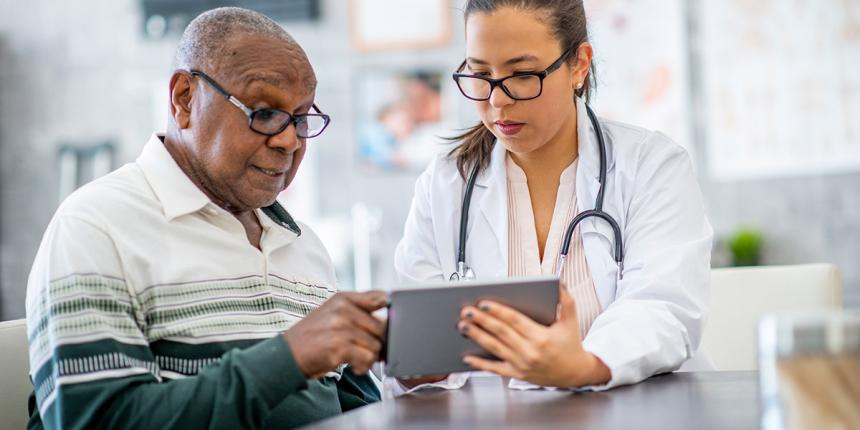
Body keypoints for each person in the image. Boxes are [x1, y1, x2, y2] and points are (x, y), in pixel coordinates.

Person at [25, 7, 386, 429]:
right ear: (184, 99)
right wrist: (288, 359)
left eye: (301, 118)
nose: (289, 140)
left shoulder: (302, 244)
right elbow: (91, 421)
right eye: (264, 113)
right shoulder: (96, 227)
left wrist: (410, 380)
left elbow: (354, 409)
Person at [391, 0, 713, 393]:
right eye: (479, 74)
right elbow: (416, 346)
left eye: (523, 74)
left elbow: (664, 307)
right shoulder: (445, 183)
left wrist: (584, 365)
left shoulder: (651, 166)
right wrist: (411, 363)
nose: (497, 101)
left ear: (579, 65)